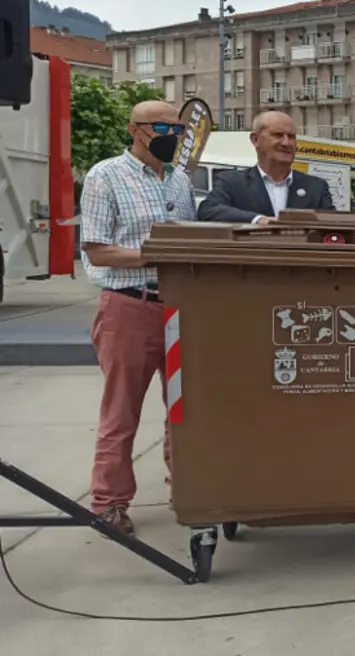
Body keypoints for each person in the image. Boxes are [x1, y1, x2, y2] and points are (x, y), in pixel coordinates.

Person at [79, 100, 198, 535]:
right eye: (162, 128)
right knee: (121, 411)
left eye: (177, 129)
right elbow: (97, 249)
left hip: (181, 308)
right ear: (135, 129)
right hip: (129, 305)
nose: (171, 136)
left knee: (185, 409)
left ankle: (187, 487)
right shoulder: (105, 176)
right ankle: (109, 503)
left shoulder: (180, 181)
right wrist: (155, 254)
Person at [196, 111, 334, 223]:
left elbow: (332, 223)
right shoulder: (232, 182)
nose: (286, 143)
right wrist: (258, 220)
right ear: (255, 140)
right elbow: (208, 210)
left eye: (291, 137)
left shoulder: (316, 187)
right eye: (278, 135)